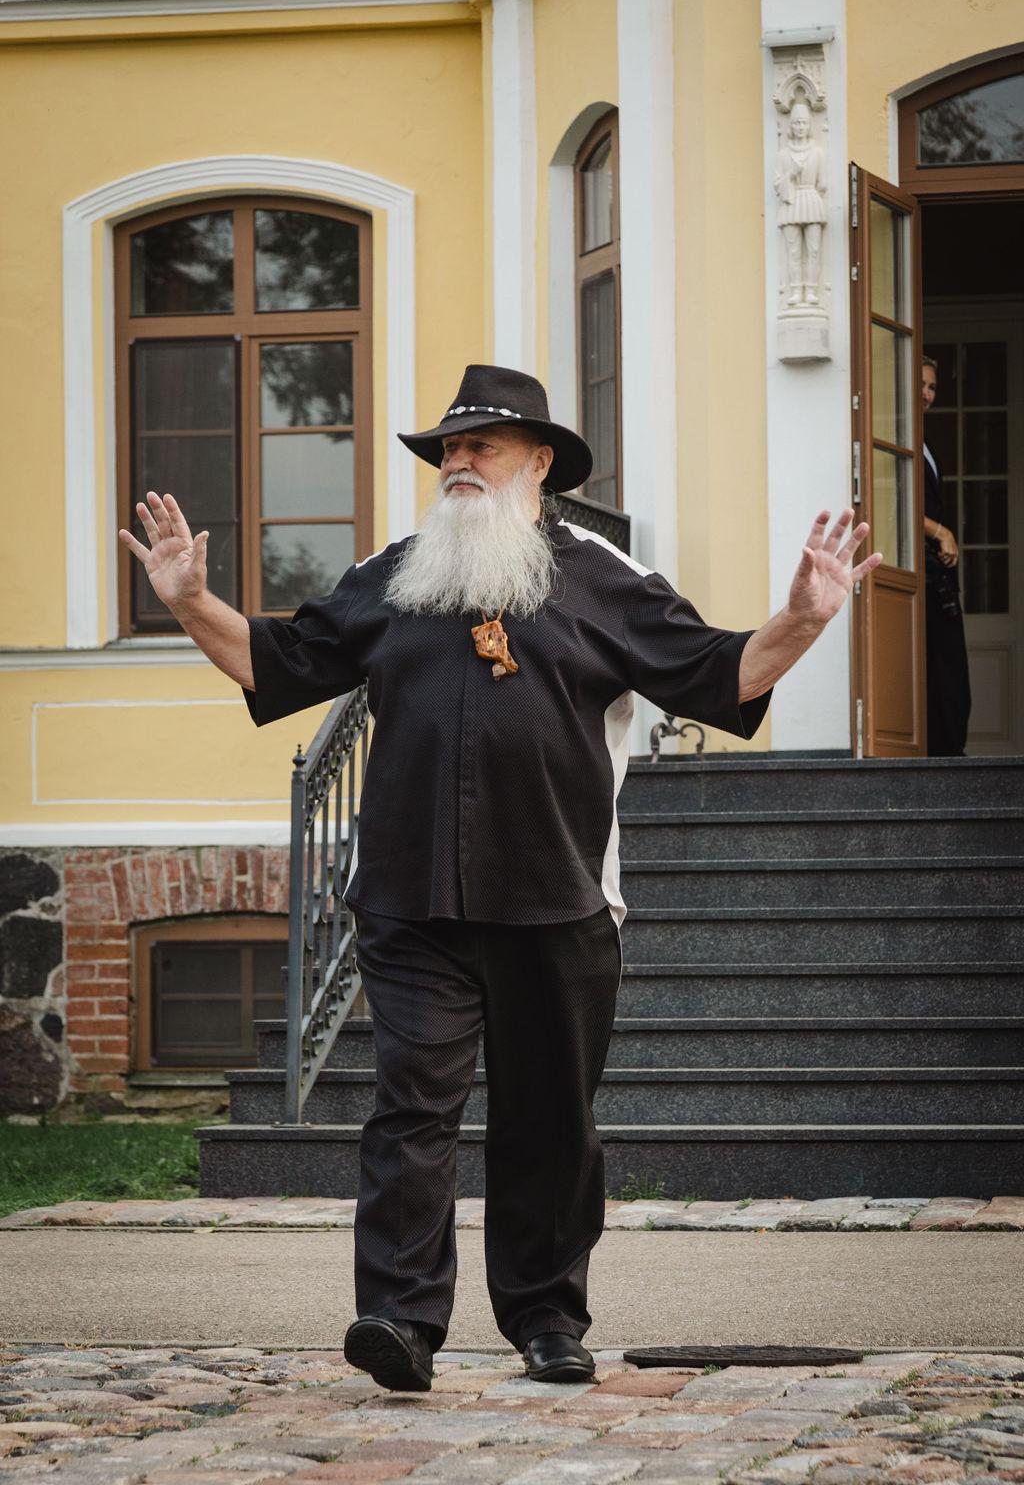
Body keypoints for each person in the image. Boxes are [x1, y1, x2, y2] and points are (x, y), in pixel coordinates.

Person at [119, 363, 881, 1392]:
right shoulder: (397, 573)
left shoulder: (604, 577)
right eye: (448, 448)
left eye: (480, 445)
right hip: (410, 897)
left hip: (559, 897)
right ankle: (399, 1320)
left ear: (539, 461)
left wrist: (805, 619)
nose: (458, 463)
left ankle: (546, 1319)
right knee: (409, 1109)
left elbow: (718, 674)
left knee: (549, 1122)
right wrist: (189, 601)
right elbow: (277, 662)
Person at [922, 355, 971, 755]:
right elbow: (895, 499)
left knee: (951, 670)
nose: (927, 394)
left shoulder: (923, 443)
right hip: (918, 570)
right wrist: (940, 532)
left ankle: (950, 752)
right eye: (921, 384)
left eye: (933, 387)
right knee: (940, 668)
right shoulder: (896, 439)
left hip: (937, 574)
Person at [773, 99, 827, 307]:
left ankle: (811, 289)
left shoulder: (818, 153)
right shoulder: (783, 154)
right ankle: (796, 290)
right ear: (791, 125)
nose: (800, 127)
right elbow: (777, 185)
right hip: (791, 203)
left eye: (804, 122)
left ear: (809, 125)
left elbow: (823, 184)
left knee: (813, 249)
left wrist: (808, 185)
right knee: (793, 251)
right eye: (796, 123)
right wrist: (792, 173)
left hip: (811, 200)